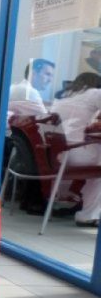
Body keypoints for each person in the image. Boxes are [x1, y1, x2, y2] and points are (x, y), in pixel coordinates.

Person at [49, 72, 101, 226]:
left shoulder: (62, 96)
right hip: (75, 153)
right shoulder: (94, 93)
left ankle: (71, 200)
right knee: (99, 165)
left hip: (56, 155)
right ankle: (88, 215)